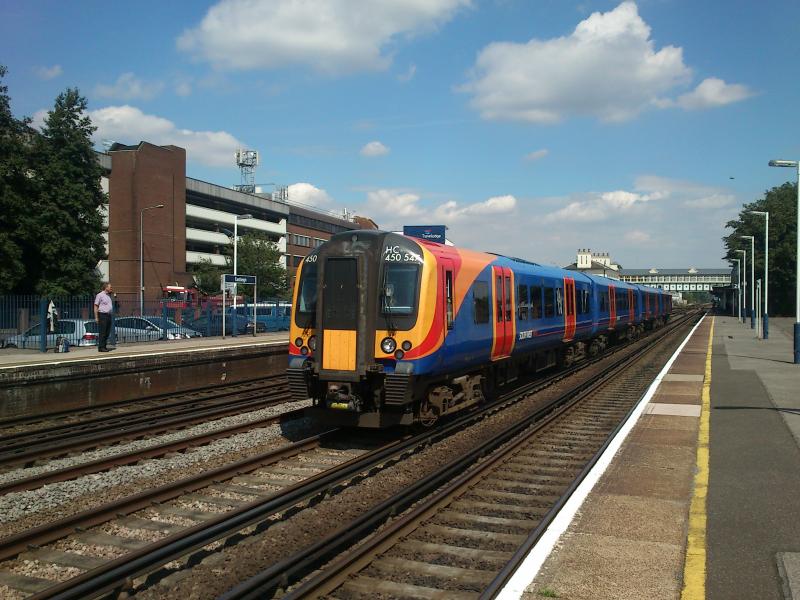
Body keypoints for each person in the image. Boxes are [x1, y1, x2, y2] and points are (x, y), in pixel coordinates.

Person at [94, 283, 114, 352]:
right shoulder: (99, 295)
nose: (111, 288)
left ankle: (104, 346)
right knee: (103, 332)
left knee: (107, 332)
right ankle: (101, 347)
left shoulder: (108, 296)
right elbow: (95, 306)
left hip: (108, 315)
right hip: (102, 315)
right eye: (110, 287)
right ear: (106, 287)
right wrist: (96, 317)